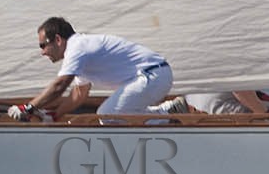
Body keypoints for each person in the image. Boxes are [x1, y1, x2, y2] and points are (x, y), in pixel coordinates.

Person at [10, 17, 172, 121]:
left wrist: (28, 107)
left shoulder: (77, 48)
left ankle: (166, 114)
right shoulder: (79, 50)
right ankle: (167, 112)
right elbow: (79, 94)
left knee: (108, 115)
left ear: (58, 39)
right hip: (155, 75)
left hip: (153, 74)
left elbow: (60, 85)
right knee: (112, 115)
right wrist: (54, 116)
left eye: (43, 45)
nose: (42, 52)